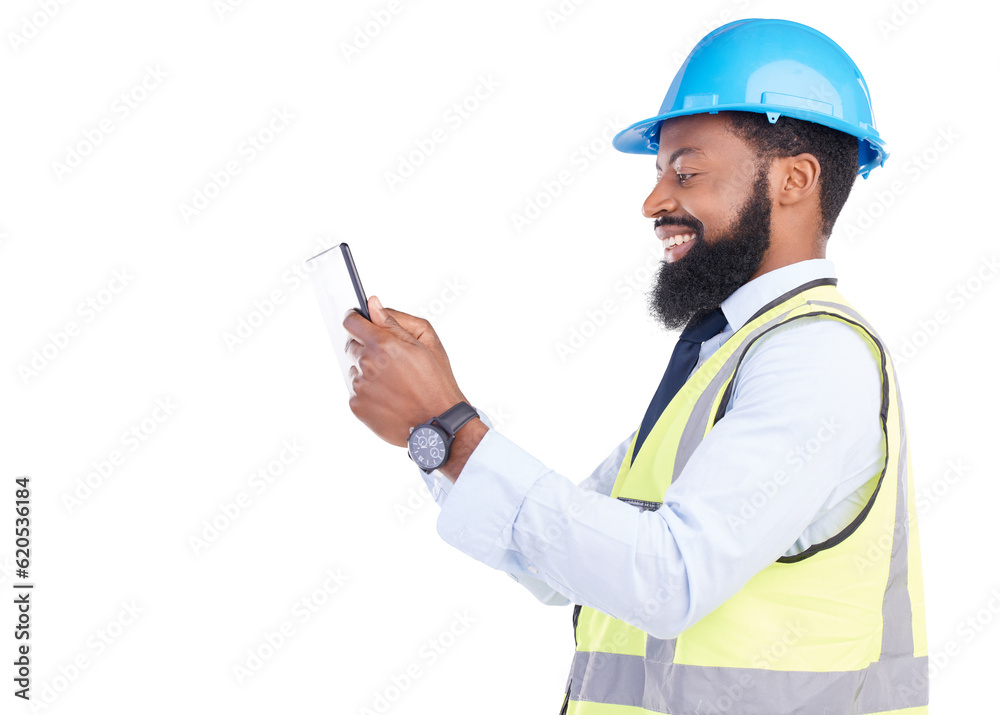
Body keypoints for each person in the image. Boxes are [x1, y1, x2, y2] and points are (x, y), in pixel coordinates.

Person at [342, 18, 928, 715]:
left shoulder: (817, 357)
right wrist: (432, 430)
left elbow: (666, 578)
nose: (654, 202)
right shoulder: (726, 358)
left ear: (795, 179)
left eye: (686, 172)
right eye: (659, 174)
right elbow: (565, 563)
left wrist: (449, 422)